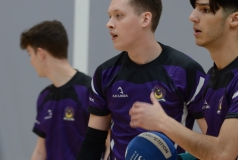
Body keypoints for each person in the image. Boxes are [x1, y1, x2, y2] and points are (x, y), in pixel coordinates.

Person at [129, 0, 238, 159]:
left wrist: (163, 122)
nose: (192, 17)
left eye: (205, 9)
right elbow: (211, 149)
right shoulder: (212, 77)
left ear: (234, 19)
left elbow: (222, 153)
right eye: (195, 8)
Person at [77, 0, 208, 159]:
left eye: (119, 16)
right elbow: (93, 142)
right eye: (110, 16)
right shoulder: (105, 74)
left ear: (145, 19)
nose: (109, 24)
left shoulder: (186, 71)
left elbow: (213, 143)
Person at [20, 20, 93, 160]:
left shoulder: (89, 90)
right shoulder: (44, 97)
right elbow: (40, 151)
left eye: (30, 54)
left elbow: (108, 142)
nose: (31, 61)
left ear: (40, 54)